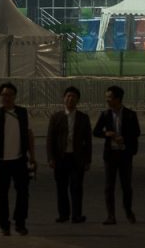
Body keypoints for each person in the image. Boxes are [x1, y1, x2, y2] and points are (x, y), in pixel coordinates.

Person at [0, 82, 37, 236]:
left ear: (15, 96)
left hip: (20, 160)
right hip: (0, 161)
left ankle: (20, 223)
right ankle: (4, 224)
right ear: (0, 96)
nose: (6, 98)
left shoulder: (23, 113)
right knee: (1, 194)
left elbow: (30, 135)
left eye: (9, 95)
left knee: (23, 193)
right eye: (4, 95)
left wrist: (32, 156)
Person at [93, 84, 140, 226]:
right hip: (110, 155)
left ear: (118, 99)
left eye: (110, 97)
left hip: (125, 154)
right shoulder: (105, 114)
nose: (107, 100)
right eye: (106, 97)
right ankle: (111, 215)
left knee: (126, 185)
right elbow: (96, 132)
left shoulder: (130, 115)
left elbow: (136, 132)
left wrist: (124, 138)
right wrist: (107, 134)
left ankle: (128, 210)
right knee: (109, 186)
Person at [46, 85, 92, 224]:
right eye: (68, 96)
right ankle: (63, 214)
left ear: (78, 100)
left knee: (76, 187)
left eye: (73, 97)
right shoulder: (56, 117)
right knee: (61, 187)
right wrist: (50, 158)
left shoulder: (83, 118)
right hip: (61, 158)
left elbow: (88, 141)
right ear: (63, 99)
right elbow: (50, 139)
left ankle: (77, 215)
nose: (70, 99)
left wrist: (87, 160)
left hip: (77, 158)